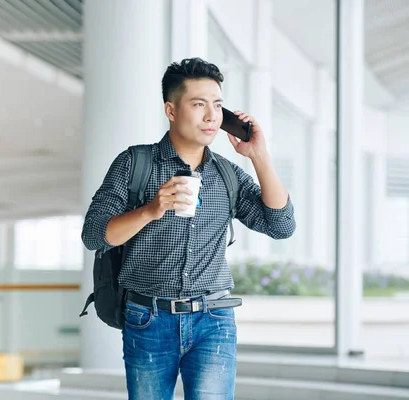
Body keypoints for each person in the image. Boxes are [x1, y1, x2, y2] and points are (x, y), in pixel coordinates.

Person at [81, 58, 296, 400]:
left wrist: (259, 156)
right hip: (147, 319)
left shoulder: (226, 174)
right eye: (199, 105)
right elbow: (93, 234)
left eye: (218, 105)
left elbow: (281, 225)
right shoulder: (134, 163)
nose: (211, 116)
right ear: (171, 109)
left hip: (214, 319)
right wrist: (151, 210)